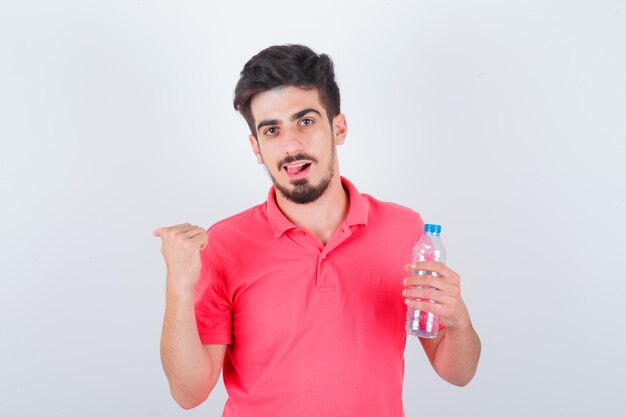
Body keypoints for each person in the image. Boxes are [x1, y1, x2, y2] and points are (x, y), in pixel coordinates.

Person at [153, 44, 480, 417]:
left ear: (338, 128)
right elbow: (188, 393)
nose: (291, 146)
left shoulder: (405, 231)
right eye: (272, 130)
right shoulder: (223, 244)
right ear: (256, 148)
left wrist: (458, 320)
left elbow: (458, 372)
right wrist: (178, 287)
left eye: (305, 121)